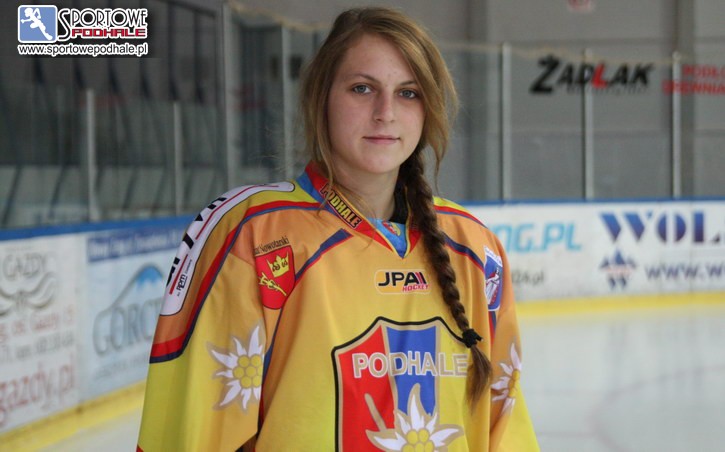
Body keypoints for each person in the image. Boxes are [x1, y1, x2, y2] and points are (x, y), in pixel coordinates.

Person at [138, 6, 538, 451]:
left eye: (408, 93)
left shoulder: (474, 246)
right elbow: (194, 429)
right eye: (362, 88)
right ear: (321, 97)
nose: (386, 112)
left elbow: (505, 426)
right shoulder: (254, 235)